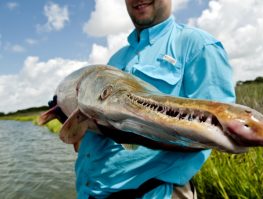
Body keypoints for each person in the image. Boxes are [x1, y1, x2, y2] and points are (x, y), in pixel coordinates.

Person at [75, 0, 235, 198]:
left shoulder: (198, 45)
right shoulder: (116, 59)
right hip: (88, 192)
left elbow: (217, 132)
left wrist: (131, 132)